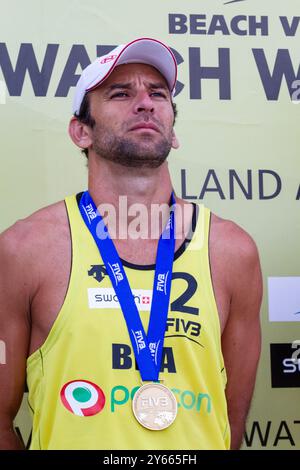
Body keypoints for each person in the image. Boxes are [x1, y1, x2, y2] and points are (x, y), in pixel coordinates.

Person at [0, 37, 262, 450]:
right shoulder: (24, 249)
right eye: (121, 93)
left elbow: (230, 422)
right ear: (81, 131)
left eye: (158, 93)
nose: (145, 102)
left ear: (172, 131)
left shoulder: (232, 251)